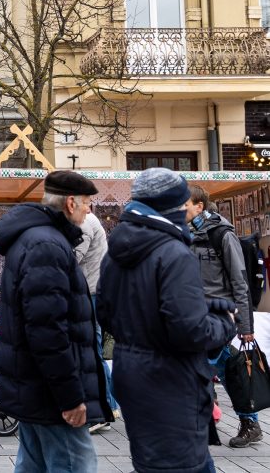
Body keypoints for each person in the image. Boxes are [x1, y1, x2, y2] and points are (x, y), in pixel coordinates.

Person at [98, 168, 236, 473]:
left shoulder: (117, 250)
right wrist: (226, 323)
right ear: (173, 207)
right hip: (169, 381)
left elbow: (108, 312)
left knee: (156, 464)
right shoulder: (173, 253)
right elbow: (190, 330)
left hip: (133, 373)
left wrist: (206, 304)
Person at [0, 170, 110, 473]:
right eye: (86, 203)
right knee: (74, 464)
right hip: (50, 394)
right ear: (70, 203)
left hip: (37, 388)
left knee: (34, 464)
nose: (89, 211)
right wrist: (70, 398)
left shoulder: (39, 240)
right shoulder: (47, 245)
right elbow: (48, 331)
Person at [185, 184, 260, 447]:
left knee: (200, 368)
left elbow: (240, 280)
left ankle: (211, 420)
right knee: (228, 368)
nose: (179, 208)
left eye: (184, 203)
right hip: (192, 316)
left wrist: (245, 324)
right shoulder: (182, 234)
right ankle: (249, 421)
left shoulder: (221, 235)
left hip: (218, 316)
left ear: (199, 207)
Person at [73, 210, 120, 433]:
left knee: (93, 348)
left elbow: (73, 258)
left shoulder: (85, 222)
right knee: (93, 347)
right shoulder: (87, 221)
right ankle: (109, 404)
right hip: (91, 290)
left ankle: (105, 407)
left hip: (90, 291)